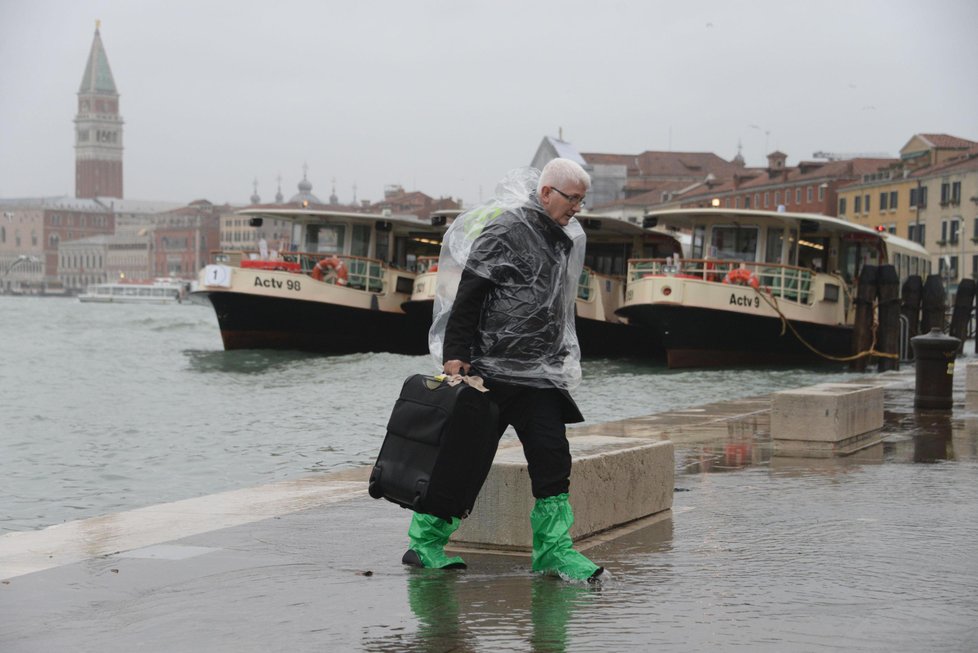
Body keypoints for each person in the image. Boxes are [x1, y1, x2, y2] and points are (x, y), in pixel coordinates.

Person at [401, 158, 604, 582]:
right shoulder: (506, 230)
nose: (576, 209)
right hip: (488, 374)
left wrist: (561, 354)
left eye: (582, 202)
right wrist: (455, 354)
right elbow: (470, 293)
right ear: (547, 192)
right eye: (572, 199)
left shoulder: (561, 240)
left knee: (553, 458)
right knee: (463, 461)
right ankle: (424, 544)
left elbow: (557, 305)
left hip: (538, 378)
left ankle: (553, 550)